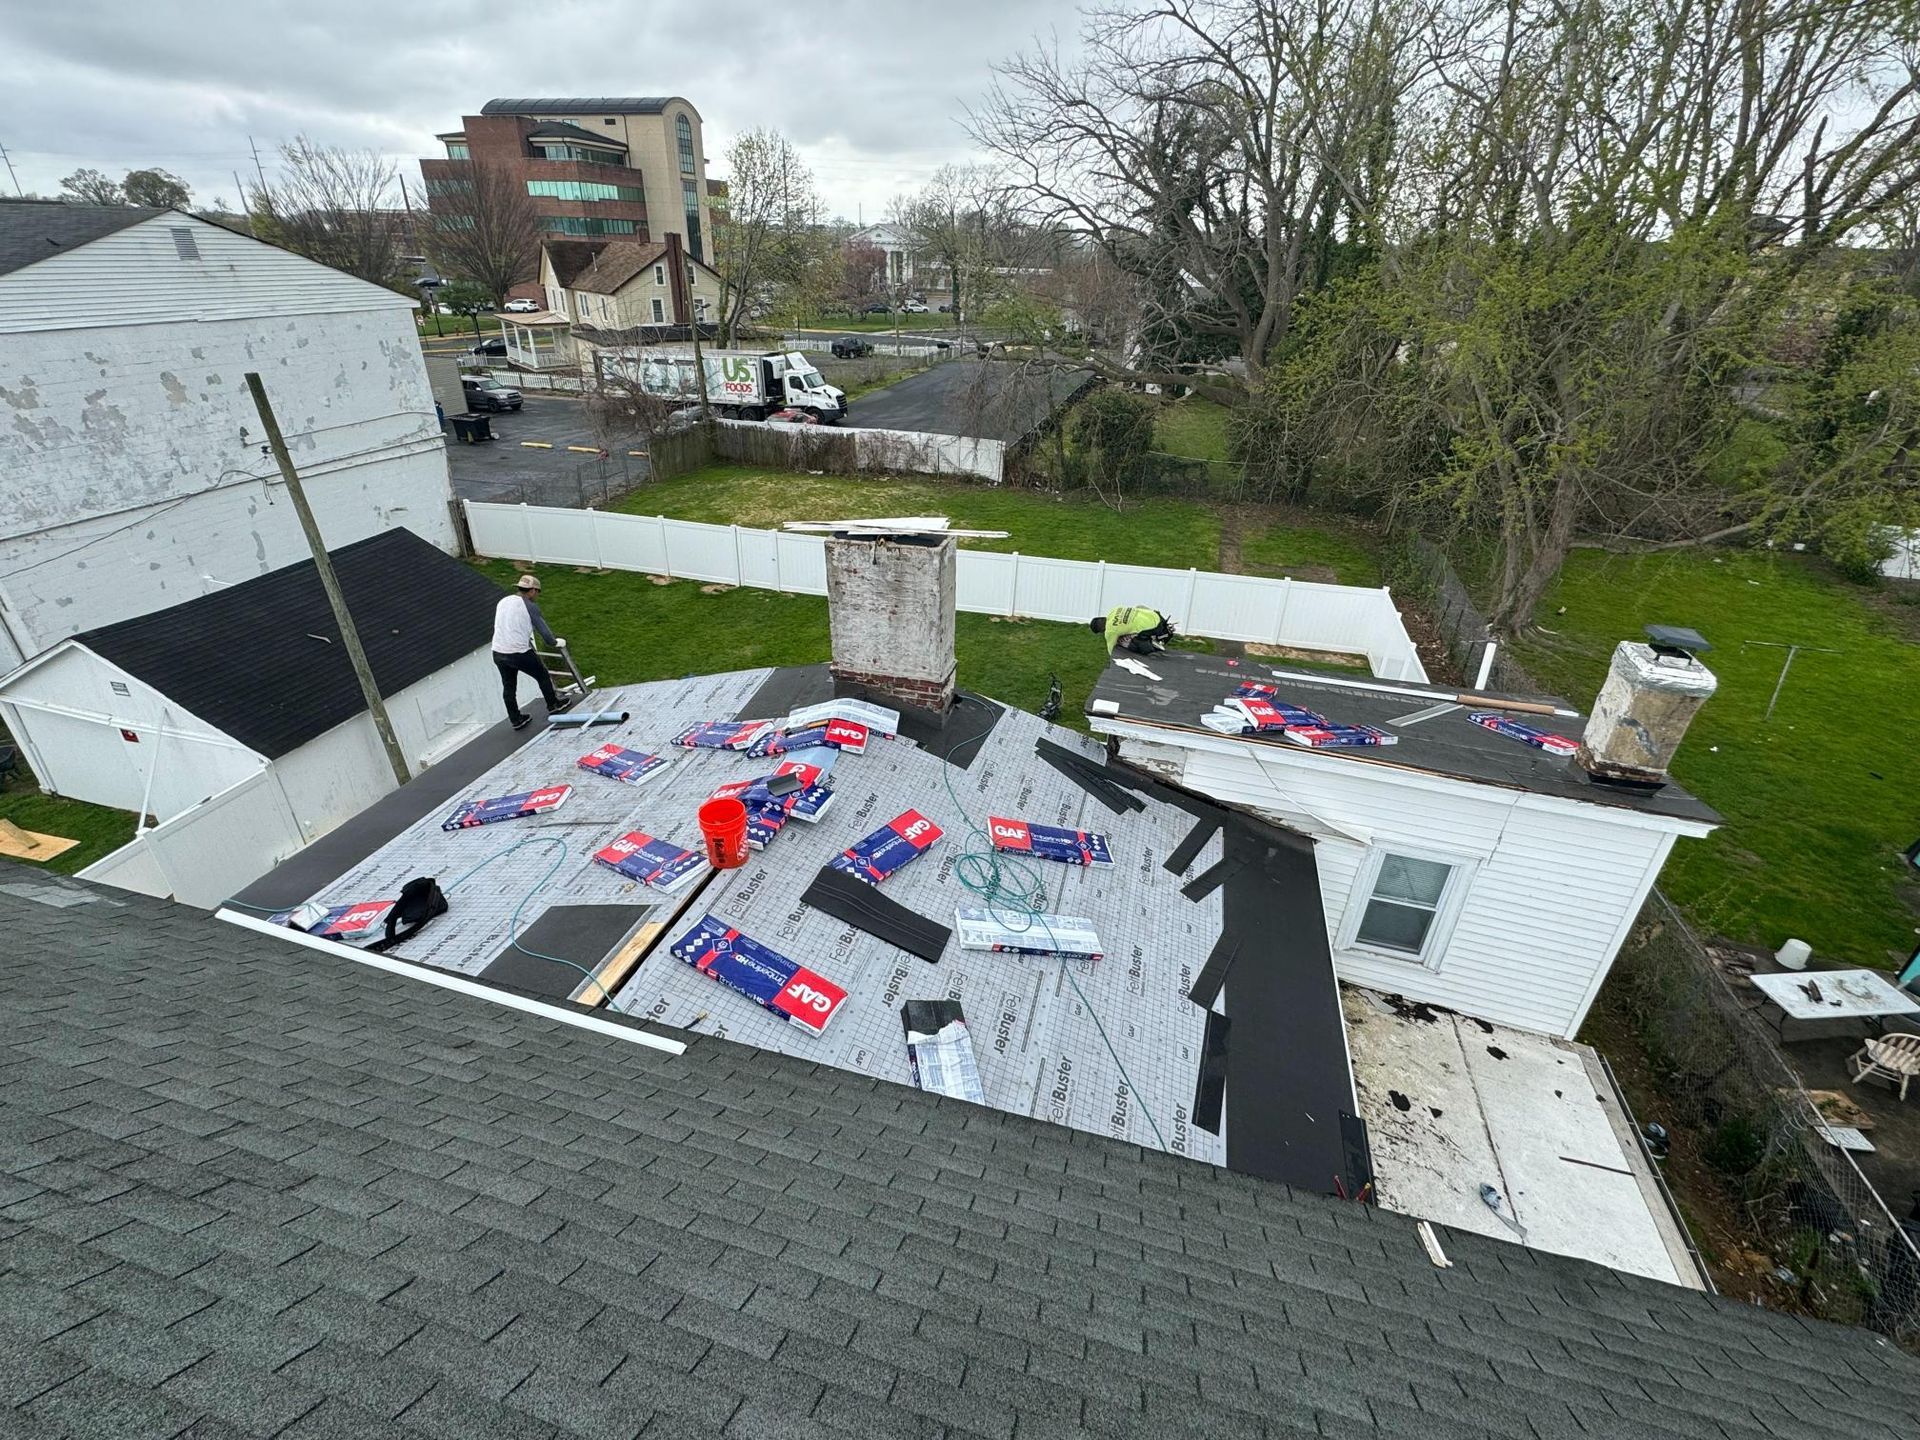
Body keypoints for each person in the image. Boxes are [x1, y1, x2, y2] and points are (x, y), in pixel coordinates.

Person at [493, 575, 567, 729]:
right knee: (542, 675)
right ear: (533, 590)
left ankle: (516, 719)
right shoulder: (529, 606)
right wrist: (554, 642)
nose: (537, 596)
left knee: (508, 687)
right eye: (538, 592)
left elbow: (510, 626)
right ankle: (553, 705)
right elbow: (545, 634)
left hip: (498, 651)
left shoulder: (503, 601)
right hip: (518, 652)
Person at [1090, 605, 1176, 656]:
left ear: (1101, 630)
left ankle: (1151, 645)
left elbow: (1111, 651)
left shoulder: (1110, 631)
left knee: (1126, 641)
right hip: (1156, 616)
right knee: (1138, 607)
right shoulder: (1114, 610)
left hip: (1153, 627)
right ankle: (1165, 629)